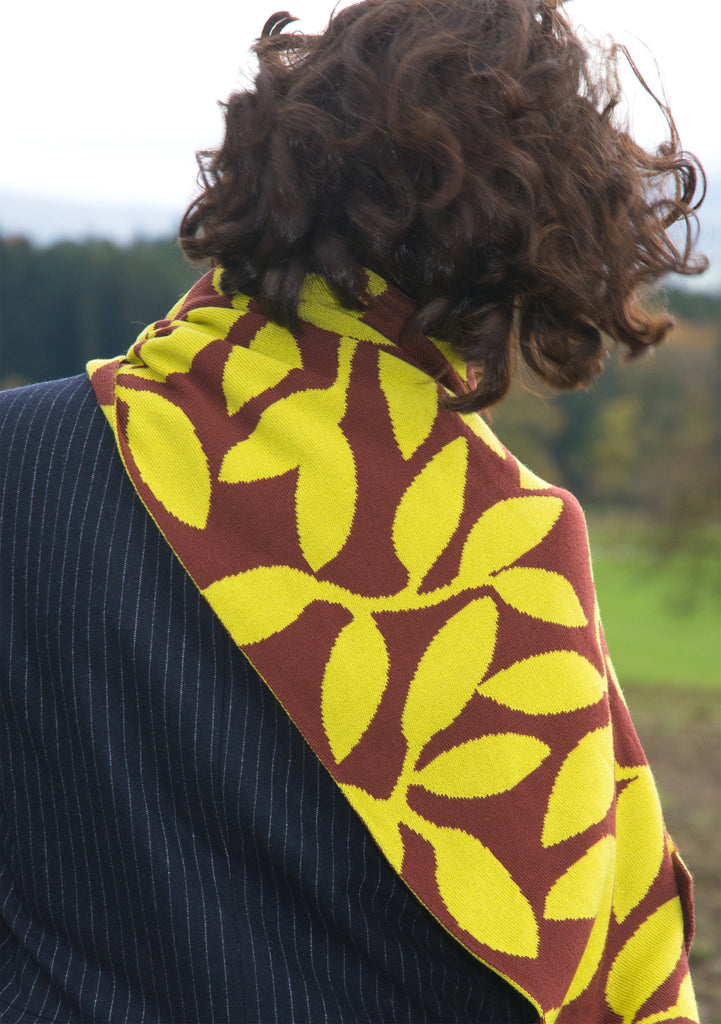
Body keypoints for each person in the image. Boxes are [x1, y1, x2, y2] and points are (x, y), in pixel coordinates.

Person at [0, 0, 707, 1021]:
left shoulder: (20, 459)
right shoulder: (506, 551)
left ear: (268, 166)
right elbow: (581, 958)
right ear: (525, 247)